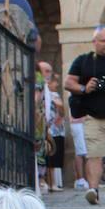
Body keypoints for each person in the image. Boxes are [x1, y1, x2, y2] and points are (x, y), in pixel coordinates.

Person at [66, 25, 105, 203]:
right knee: (94, 155)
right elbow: (69, 83)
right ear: (94, 42)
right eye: (102, 41)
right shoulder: (83, 61)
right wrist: (84, 87)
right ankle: (93, 189)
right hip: (93, 117)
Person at [35, 63, 66, 192]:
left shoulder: (49, 91)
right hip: (39, 126)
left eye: (50, 71)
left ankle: (44, 183)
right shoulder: (38, 85)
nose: (48, 74)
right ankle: (42, 182)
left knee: (48, 155)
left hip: (47, 126)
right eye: (46, 71)